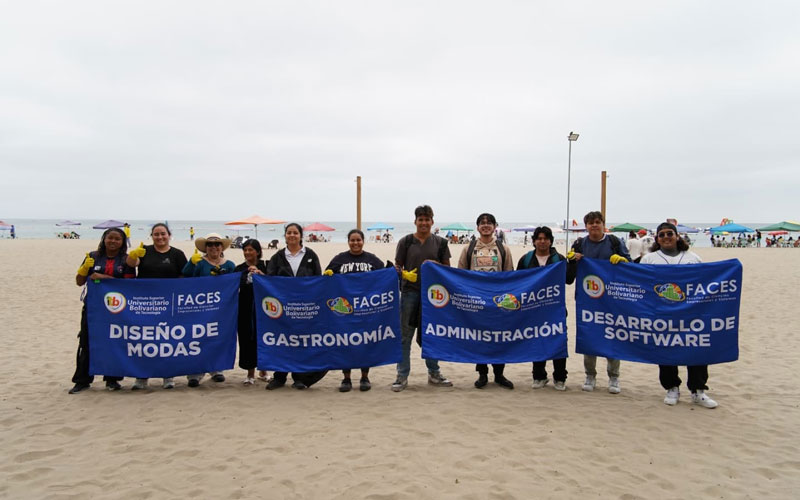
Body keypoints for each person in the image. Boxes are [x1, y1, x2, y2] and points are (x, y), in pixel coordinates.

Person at [641, 222, 718, 409]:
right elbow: (641, 285)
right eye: (662, 235)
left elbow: (704, 284)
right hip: (662, 313)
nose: (666, 237)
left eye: (670, 233)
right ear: (657, 239)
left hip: (691, 314)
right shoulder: (650, 259)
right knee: (666, 349)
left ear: (677, 236)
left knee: (696, 348)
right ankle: (672, 387)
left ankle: (698, 390)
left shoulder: (693, 258)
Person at [567, 211, 631, 394]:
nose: (594, 225)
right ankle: (590, 375)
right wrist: (571, 262)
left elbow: (631, 267)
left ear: (603, 224)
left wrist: (623, 260)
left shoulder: (615, 242)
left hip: (612, 299)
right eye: (590, 223)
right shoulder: (579, 243)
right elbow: (569, 277)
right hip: (587, 298)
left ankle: (614, 377)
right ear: (585, 226)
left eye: (597, 222)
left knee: (612, 336)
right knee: (589, 336)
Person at [392, 205, 453, 392]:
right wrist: (401, 273)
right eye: (421, 219)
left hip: (433, 296)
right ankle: (401, 376)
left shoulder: (441, 243)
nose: (424, 223)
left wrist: (435, 264)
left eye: (427, 219)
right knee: (405, 336)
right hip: (409, 293)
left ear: (432, 221)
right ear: (415, 221)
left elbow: (447, 269)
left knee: (431, 335)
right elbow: (397, 266)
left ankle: (434, 373)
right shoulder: (406, 242)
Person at [69, 227, 135, 394]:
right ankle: (82, 380)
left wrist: (104, 278)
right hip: (93, 308)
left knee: (114, 342)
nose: (113, 241)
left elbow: (129, 285)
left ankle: (112, 379)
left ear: (122, 242)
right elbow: (79, 281)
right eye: (110, 238)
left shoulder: (126, 260)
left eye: (117, 239)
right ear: (104, 239)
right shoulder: (92, 257)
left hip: (117, 308)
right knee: (86, 341)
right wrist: (84, 270)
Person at [126, 222, 188, 390]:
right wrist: (133, 254)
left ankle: (168, 376)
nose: (160, 237)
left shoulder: (177, 254)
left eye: (163, 234)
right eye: (156, 234)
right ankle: (141, 377)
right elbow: (132, 264)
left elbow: (185, 275)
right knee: (144, 339)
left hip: (169, 304)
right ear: (151, 236)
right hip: (145, 303)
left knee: (167, 340)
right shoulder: (144, 250)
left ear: (169, 235)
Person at [265, 223, 327, 390]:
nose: (292, 235)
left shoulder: (310, 255)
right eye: (289, 232)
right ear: (285, 235)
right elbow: (269, 280)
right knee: (282, 341)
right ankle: (279, 377)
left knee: (301, 342)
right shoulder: (277, 257)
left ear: (301, 236)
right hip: (282, 308)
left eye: (295, 233)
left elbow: (318, 279)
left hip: (305, 308)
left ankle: (299, 376)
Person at [457, 213, 514, 389]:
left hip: (498, 300)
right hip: (476, 300)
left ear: (495, 226)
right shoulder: (469, 248)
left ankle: (499, 374)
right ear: (477, 227)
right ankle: (482, 374)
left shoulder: (503, 248)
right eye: (482, 223)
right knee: (479, 338)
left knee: (499, 337)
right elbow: (461, 273)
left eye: (489, 223)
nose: (486, 225)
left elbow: (509, 274)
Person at [326, 229, 385, 392]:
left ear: (363, 241)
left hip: (366, 310)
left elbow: (384, 275)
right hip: (344, 311)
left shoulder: (371, 259)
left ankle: (365, 376)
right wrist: (328, 274)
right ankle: (346, 378)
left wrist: (395, 273)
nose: (355, 243)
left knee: (365, 342)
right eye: (352, 240)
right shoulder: (339, 259)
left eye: (358, 240)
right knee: (346, 343)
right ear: (348, 242)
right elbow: (326, 278)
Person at [517, 226, 574, 391]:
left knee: (558, 341)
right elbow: (518, 281)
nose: (542, 241)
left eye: (545, 238)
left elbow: (569, 280)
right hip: (533, 309)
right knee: (536, 342)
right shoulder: (526, 259)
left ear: (550, 241)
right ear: (534, 241)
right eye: (539, 238)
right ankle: (539, 376)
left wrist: (573, 263)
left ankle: (560, 377)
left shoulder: (559, 259)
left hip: (555, 310)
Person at [182, 233, 236, 387]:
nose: (214, 247)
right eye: (210, 245)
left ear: (222, 247)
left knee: (217, 338)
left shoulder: (230, 265)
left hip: (221, 310)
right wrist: (191, 264)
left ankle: (216, 369)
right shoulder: (199, 263)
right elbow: (185, 278)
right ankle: (195, 373)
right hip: (199, 308)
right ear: (205, 248)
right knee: (197, 339)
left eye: (217, 244)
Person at [234, 239, 269, 386]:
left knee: (264, 339)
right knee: (247, 340)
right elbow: (232, 288)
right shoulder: (238, 269)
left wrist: (261, 275)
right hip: (245, 309)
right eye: (245, 250)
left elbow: (274, 282)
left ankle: (264, 370)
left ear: (258, 251)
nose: (248, 252)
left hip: (264, 309)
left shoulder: (266, 266)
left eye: (251, 250)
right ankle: (250, 373)